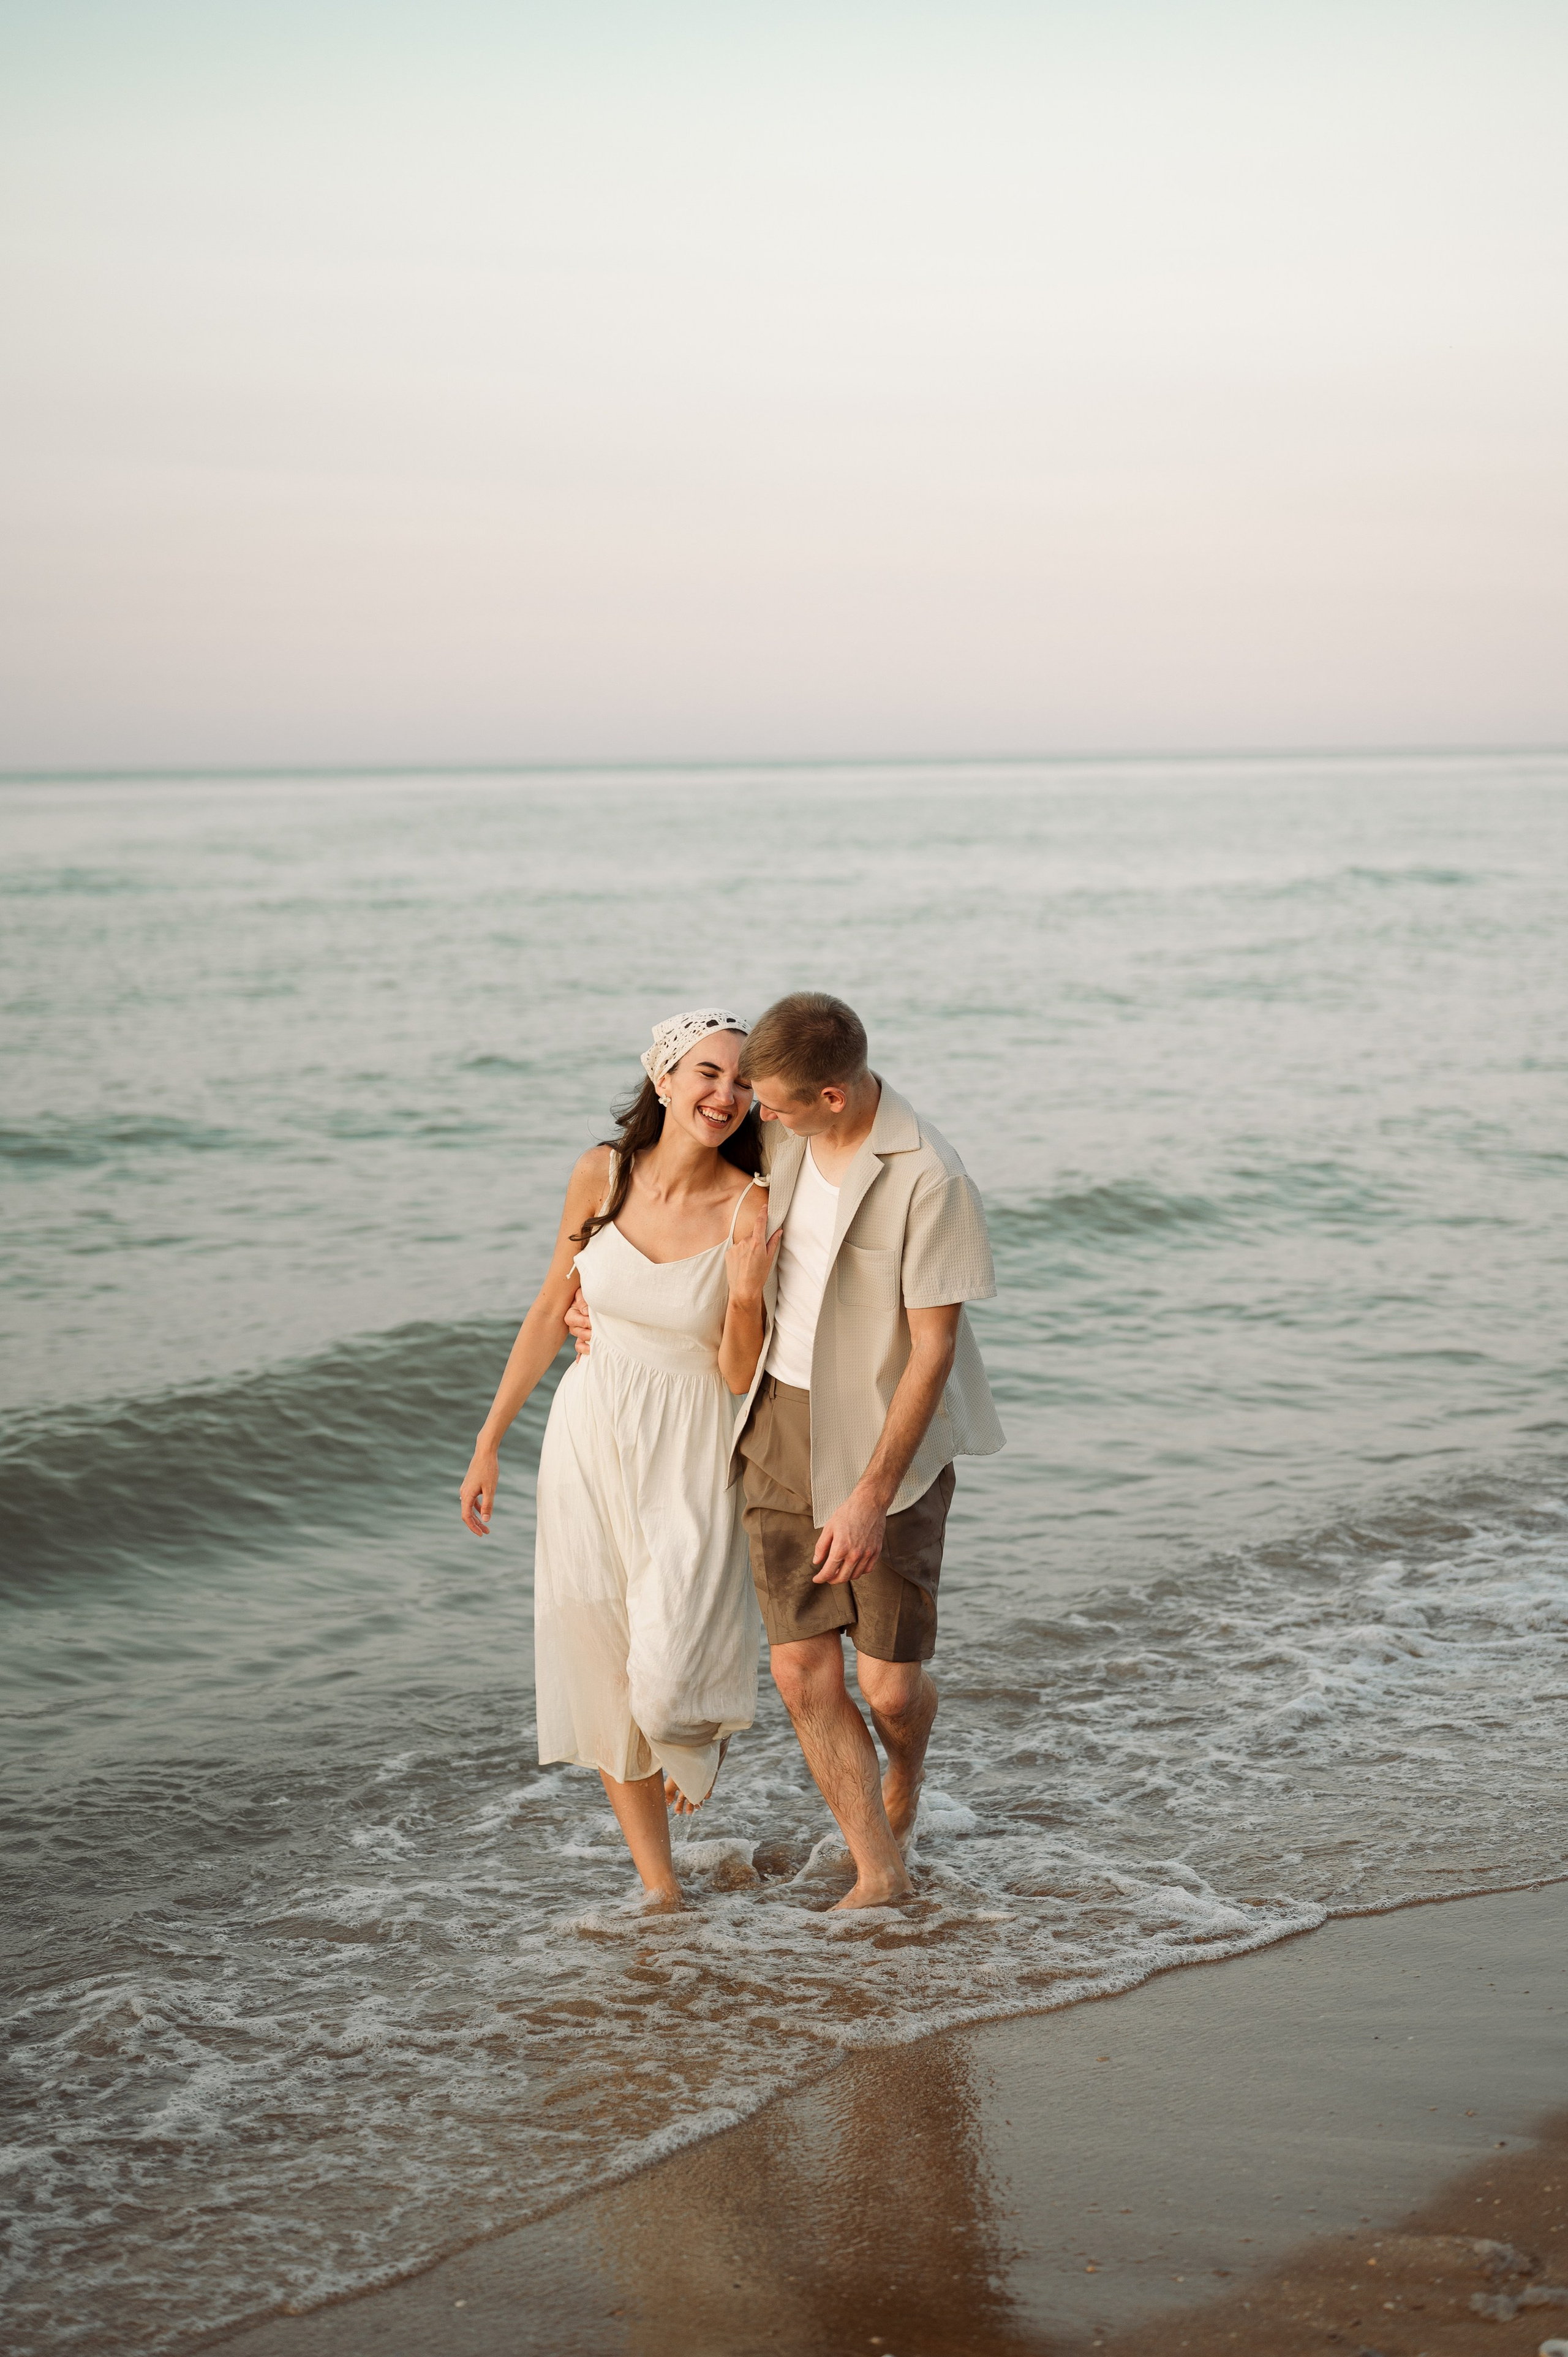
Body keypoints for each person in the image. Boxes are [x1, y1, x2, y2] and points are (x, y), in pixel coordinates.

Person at [570, 992, 1003, 1910]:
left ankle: (906, 1773)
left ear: (833, 1098)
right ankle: (879, 1871)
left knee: (888, 1690)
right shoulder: (785, 1134)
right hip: (777, 1422)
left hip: (891, 1437)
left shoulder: (931, 1179)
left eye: (777, 1102)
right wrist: (592, 1295)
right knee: (801, 1671)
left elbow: (932, 1355)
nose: (755, 1115)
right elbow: (680, 1193)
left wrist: (868, 1495)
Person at [459, 1009, 777, 1913]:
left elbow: (737, 1369)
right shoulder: (600, 1173)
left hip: (692, 1440)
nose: (726, 1095)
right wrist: (488, 1444)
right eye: (708, 1074)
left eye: (743, 1082)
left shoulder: (751, 1202)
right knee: (602, 1665)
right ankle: (661, 1891)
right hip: (589, 1431)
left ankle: (695, 1731)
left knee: (669, 1680)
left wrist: (747, 1291)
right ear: (664, 1079)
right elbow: (548, 1305)